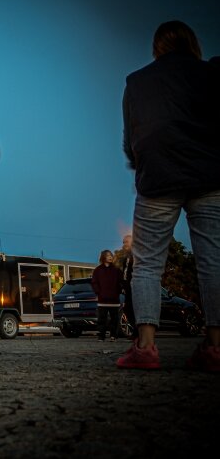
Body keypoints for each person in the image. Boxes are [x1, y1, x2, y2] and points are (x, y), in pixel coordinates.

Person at [118, 20, 220, 371]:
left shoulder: (137, 81)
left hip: (159, 176)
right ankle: (215, 347)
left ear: (156, 47)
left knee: (147, 263)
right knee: (212, 261)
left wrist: (139, 165)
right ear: (192, 43)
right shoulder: (210, 74)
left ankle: (145, 348)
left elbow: (130, 138)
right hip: (209, 174)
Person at [92, 250, 123, 342]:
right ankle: (101, 337)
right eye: (108, 255)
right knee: (102, 319)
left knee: (114, 319)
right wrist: (98, 293)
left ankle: (114, 336)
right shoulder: (98, 270)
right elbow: (94, 282)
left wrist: (118, 291)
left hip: (114, 299)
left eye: (111, 255)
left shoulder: (117, 270)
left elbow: (121, 282)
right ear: (103, 257)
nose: (110, 257)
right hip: (102, 300)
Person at [118, 234, 137, 339]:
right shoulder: (126, 258)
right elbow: (125, 273)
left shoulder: (136, 255)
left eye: (126, 242)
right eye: (123, 242)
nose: (124, 244)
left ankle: (138, 332)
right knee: (127, 309)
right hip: (127, 289)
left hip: (135, 287)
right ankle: (136, 329)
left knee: (134, 308)